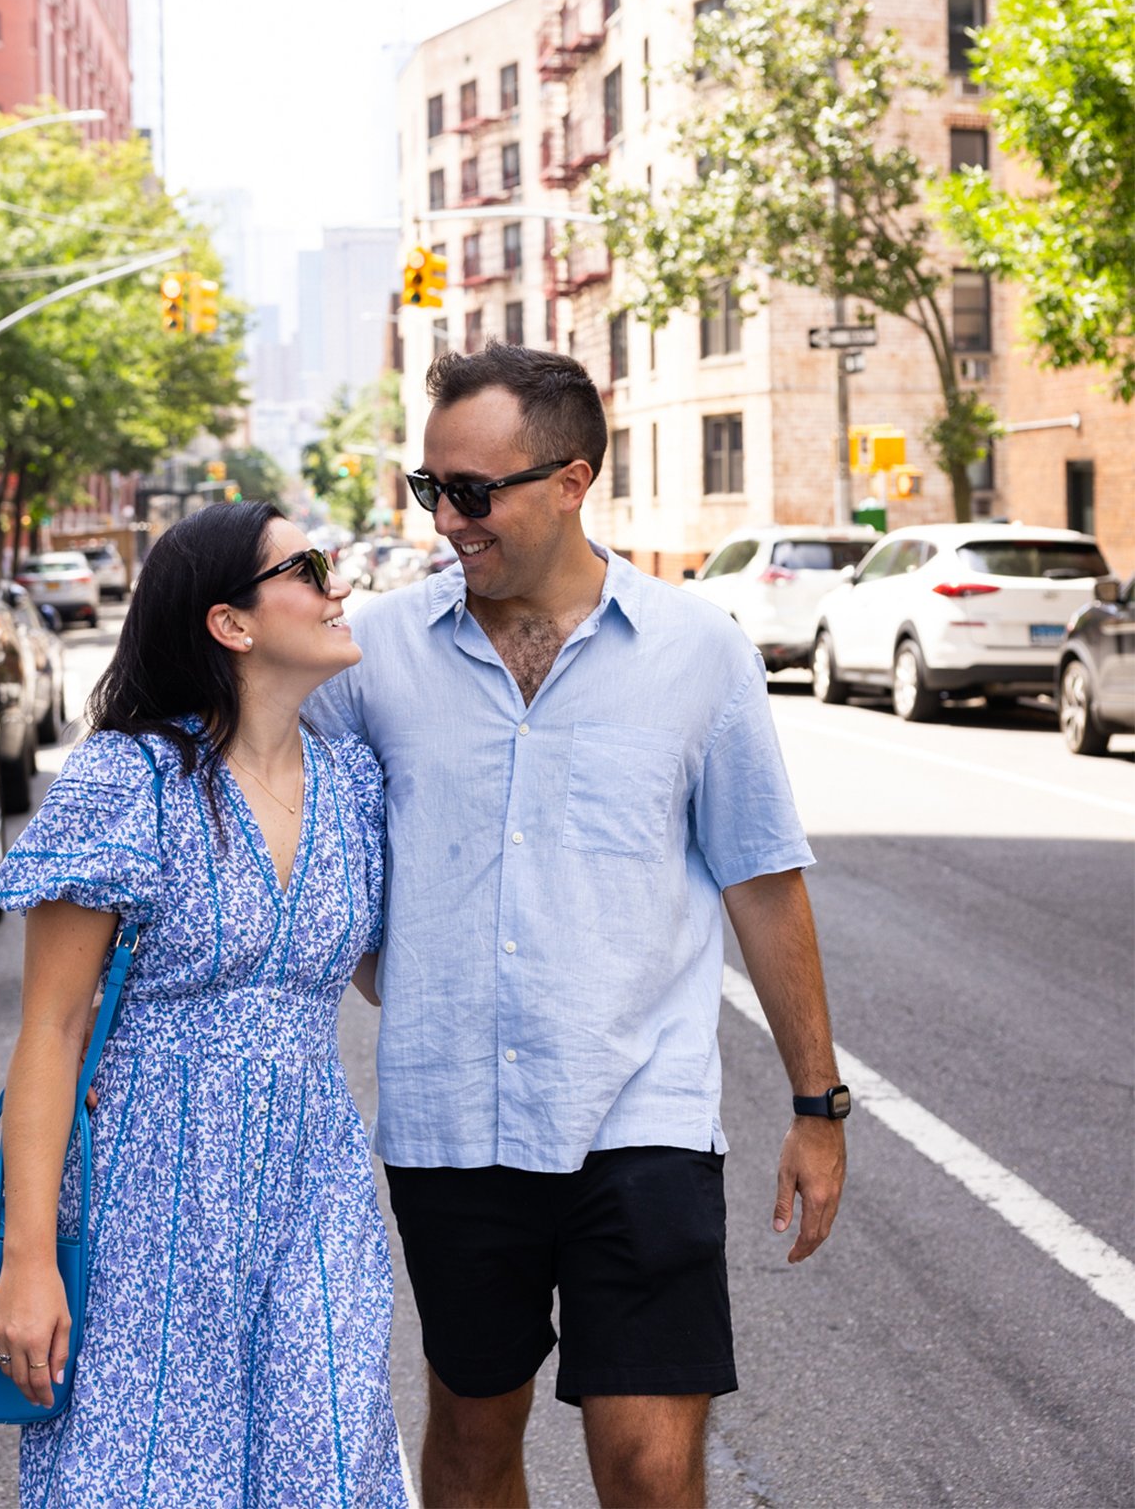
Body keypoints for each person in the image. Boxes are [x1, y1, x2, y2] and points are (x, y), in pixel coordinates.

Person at [309, 344, 846, 1509]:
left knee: (650, 1467)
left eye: (471, 491)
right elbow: (291, 828)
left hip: (639, 1113)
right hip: (450, 1119)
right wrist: (375, 962)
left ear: (571, 479)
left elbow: (761, 877)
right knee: (468, 1436)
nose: (446, 519)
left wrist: (816, 1103)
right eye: (429, 487)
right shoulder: (374, 658)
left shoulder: (698, 654)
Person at [0, 500, 408, 1508]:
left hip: (314, 1179)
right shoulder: (127, 779)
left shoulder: (352, 783)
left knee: (333, 1465)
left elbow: (396, 975)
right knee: (146, 1476)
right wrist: (29, 1260)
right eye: (306, 567)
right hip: (147, 1187)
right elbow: (49, 1030)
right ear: (231, 622)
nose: (337, 581)